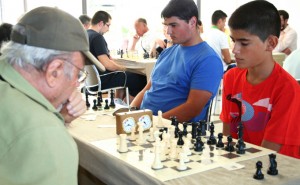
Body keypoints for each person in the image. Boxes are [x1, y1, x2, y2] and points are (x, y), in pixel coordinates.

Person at [0, 7, 105, 184]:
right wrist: (51, 123)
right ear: (54, 71)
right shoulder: (46, 136)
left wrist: (60, 116)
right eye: (78, 74)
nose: (76, 84)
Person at [220, 0, 300, 159]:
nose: (235, 50)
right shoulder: (231, 77)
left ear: (271, 43)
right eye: (233, 40)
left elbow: (267, 154)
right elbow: (228, 138)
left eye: (244, 42)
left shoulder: (287, 89)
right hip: (242, 165)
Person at [130, 0, 223, 123]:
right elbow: (147, 89)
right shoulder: (167, 53)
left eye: (173, 25)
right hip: (145, 122)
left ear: (192, 22)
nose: (168, 31)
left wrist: (152, 123)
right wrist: (131, 111)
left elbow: (192, 108)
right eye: (166, 25)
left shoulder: (208, 59)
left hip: (172, 131)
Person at [87, 11, 146, 101]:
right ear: (101, 23)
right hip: (102, 79)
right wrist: (124, 68)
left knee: (124, 75)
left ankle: (118, 102)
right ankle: (129, 108)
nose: (108, 29)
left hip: (90, 81)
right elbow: (108, 65)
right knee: (139, 79)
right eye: (108, 25)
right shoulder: (97, 37)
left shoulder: (86, 35)